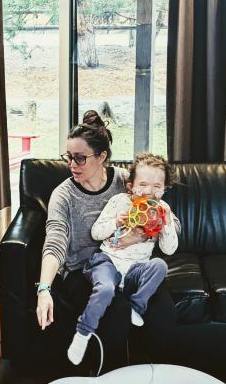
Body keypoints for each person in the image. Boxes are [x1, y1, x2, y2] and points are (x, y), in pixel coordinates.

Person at [34, 110, 148, 372]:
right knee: (117, 309)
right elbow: (55, 241)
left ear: (102, 157)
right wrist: (44, 289)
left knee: (160, 304)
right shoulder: (63, 195)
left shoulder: (125, 183)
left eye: (80, 158)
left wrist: (140, 234)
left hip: (122, 261)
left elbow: (154, 208)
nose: (72, 165)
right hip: (81, 270)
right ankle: (102, 382)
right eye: (69, 157)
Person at [68, 153, 180, 365]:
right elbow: (96, 233)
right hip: (108, 261)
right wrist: (116, 223)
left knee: (159, 265)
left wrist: (166, 224)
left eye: (157, 186)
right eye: (143, 184)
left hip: (135, 270)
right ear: (130, 186)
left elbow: (169, 249)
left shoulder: (163, 209)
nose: (149, 191)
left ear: (164, 189)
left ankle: (136, 308)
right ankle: (83, 333)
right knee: (106, 289)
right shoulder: (119, 202)